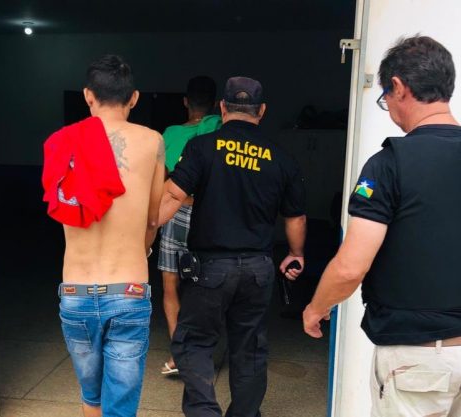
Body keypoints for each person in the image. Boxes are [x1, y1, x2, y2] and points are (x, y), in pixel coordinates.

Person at [303, 35, 461, 416]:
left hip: (419, 358)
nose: (388, 108)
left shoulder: (390, 164)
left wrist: (316, 307)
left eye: (385, 98)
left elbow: (351, 267)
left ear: (399, 88)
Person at [159, 76, 307, 417]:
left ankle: (204, 412)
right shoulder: (282, 158)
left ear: (223, 107)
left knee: (194, 342)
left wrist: (144, 235)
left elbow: (172, 196)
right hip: (258, 269)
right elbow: (296, 217)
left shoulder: (202, 147)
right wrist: (295, 254)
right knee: (250, 348)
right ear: (262, 111)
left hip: (210, 268)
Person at [41, 55, 165, 417]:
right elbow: (152, 220)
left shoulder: (60, 143)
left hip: (76, 292)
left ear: (88, 95)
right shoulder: (152, 141)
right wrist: (141, 250)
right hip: (128, 289)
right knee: (120, 407)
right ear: (134, 98)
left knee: (91, 397)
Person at [158, 75, 222, 376]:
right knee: (206, 285)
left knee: (171, 284)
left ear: (185, 102)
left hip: (175, 210)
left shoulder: (169, 133)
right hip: (210, 215)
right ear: (216, 104)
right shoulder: (220, 128)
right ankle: (202, 354)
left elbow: (161, 179)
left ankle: (179, 354)